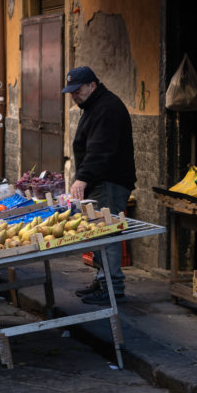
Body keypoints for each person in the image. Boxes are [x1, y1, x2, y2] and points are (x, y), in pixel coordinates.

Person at [63, 66, 136, 305]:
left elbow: (100, 150)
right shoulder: (94, 105)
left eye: (77, 90)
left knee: (108, 232)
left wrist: (82, 177)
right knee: (99, 232)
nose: (74, 95)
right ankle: (102, 280)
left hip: (109, 182)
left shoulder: (106, 108)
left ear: (92, 85)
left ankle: (112, 287)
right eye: (71, 92)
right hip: (102, 181)